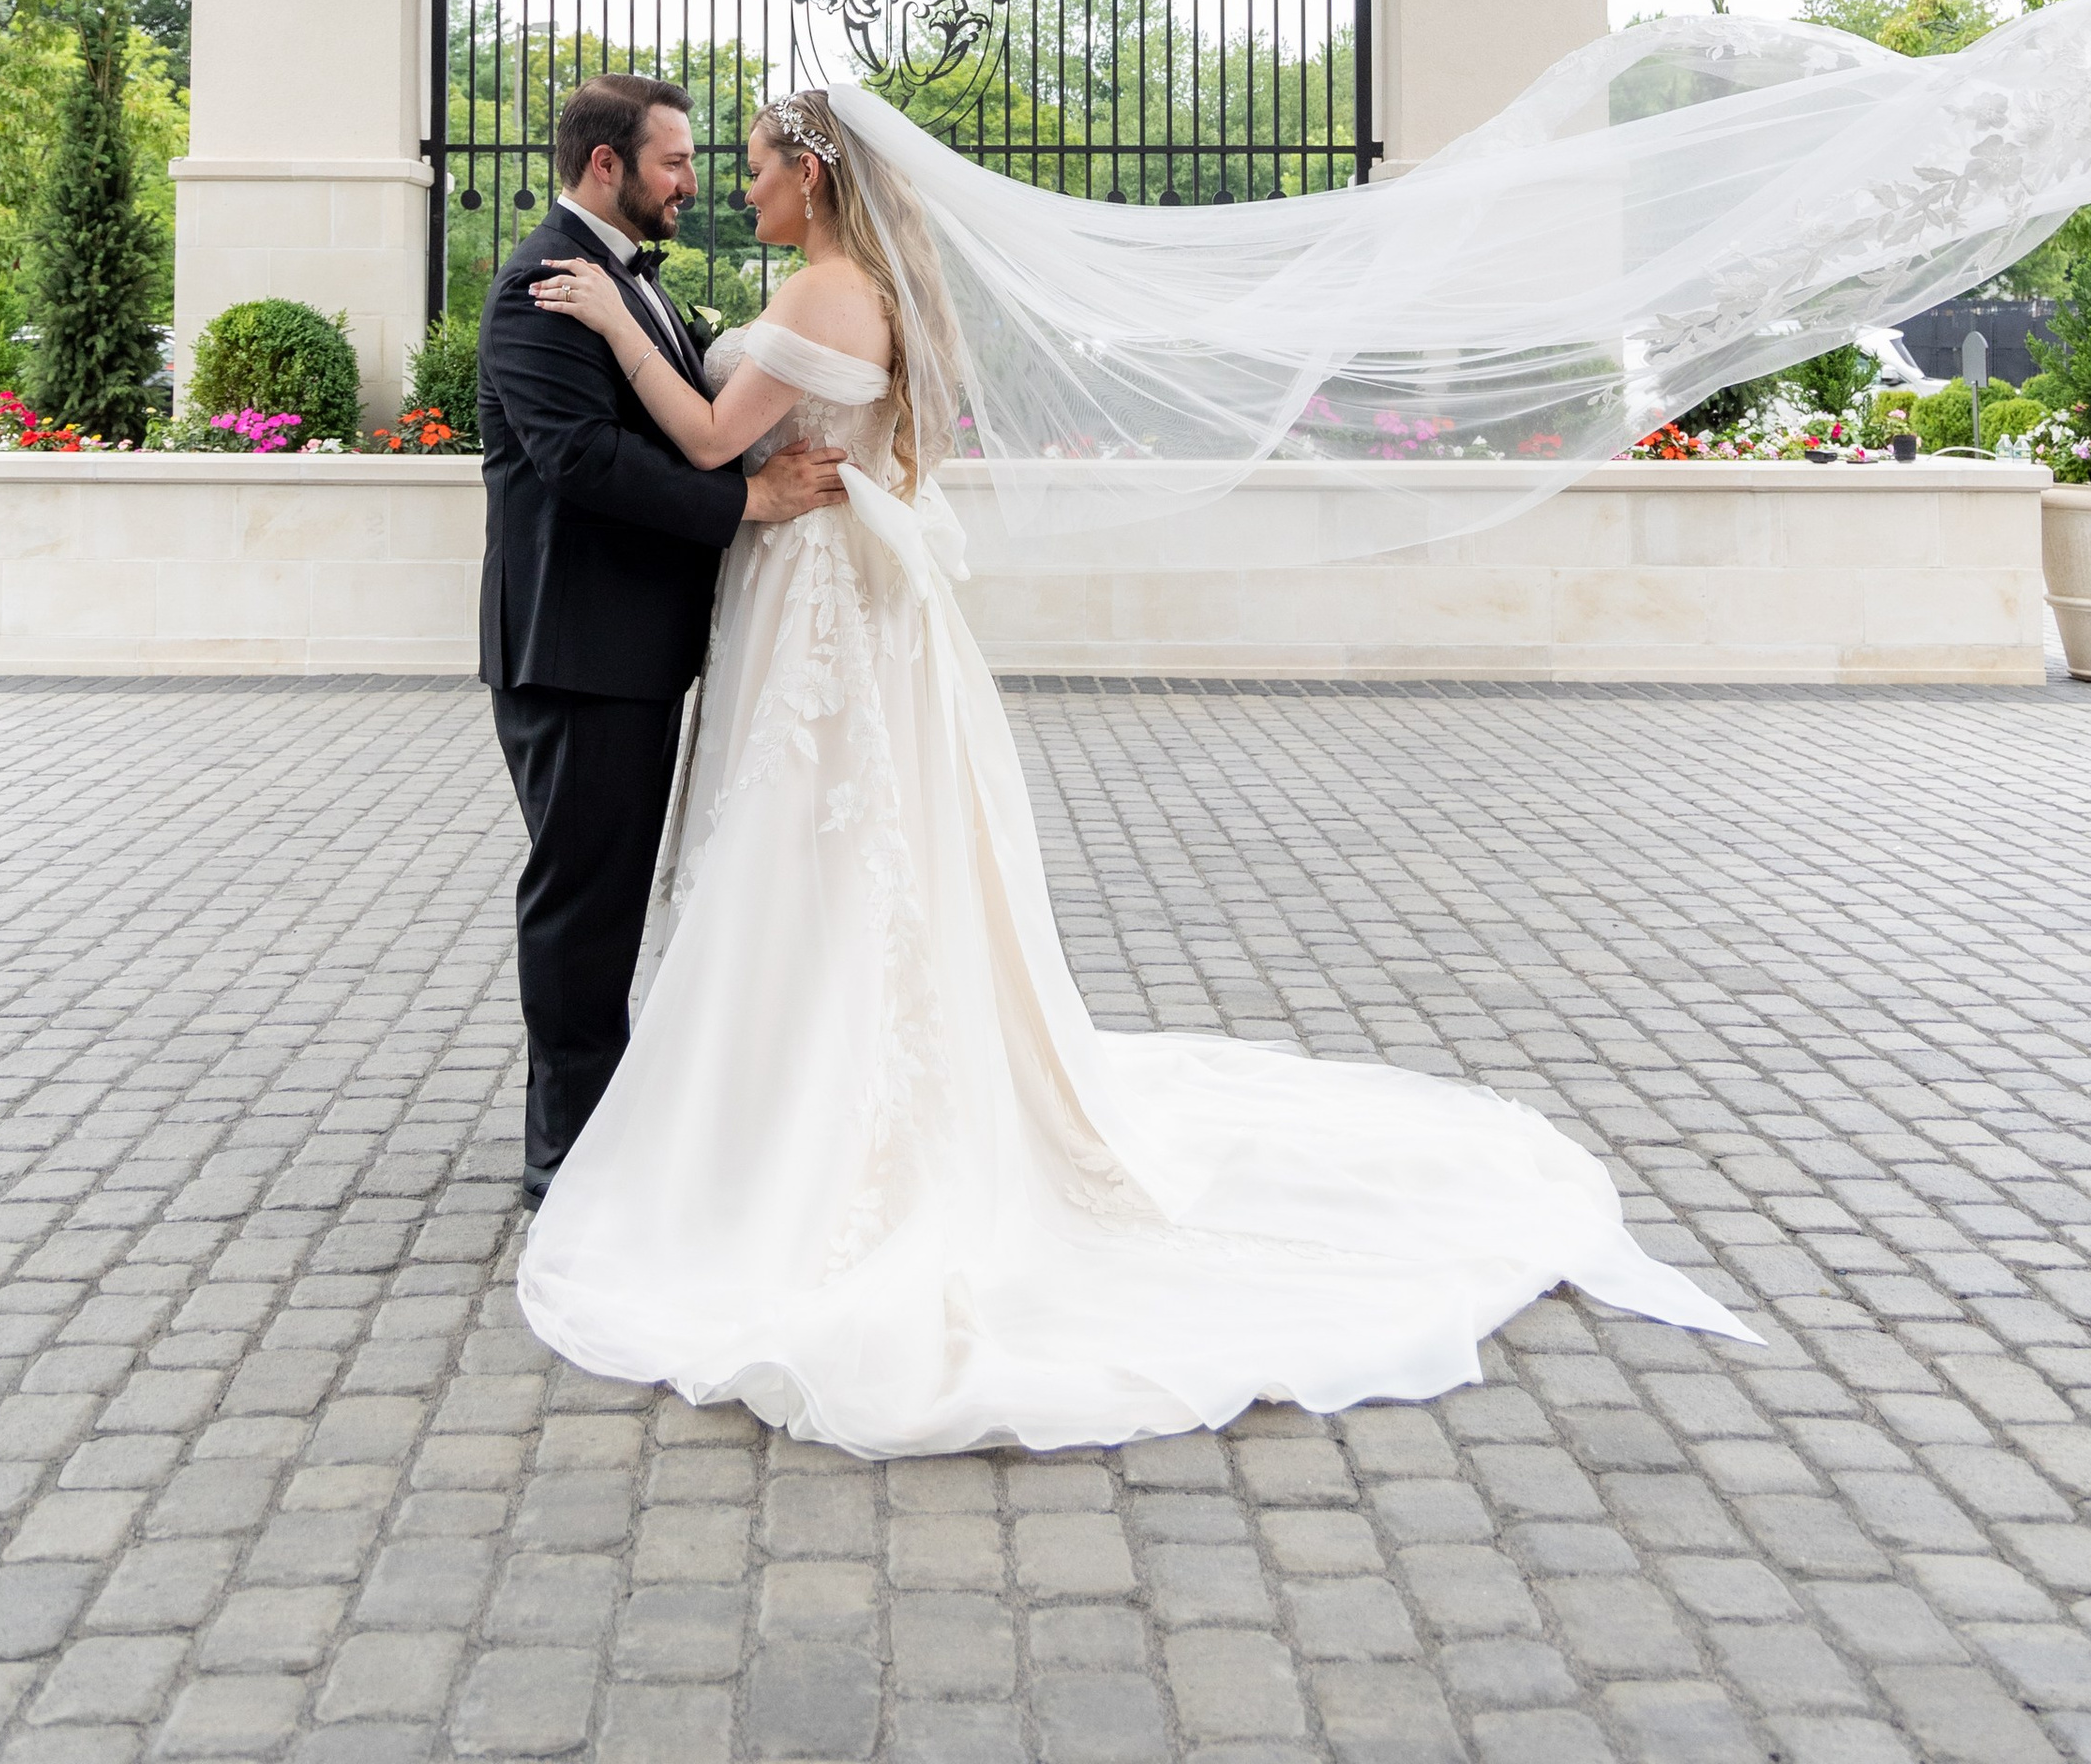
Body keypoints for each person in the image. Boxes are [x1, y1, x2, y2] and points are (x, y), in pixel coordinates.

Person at [512, 88, 1752, 1457]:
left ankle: (774, 1122)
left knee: (814, 853)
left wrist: (617, 322)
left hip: (817, 605)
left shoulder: (823, 293)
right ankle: (776, 1097)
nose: (734, 188)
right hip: (833, 601)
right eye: (708, 165)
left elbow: (703, 439)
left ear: (811, 176)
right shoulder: (862, 287)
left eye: (750, 168)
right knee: (842, 858)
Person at [476, 74, 846, 1202]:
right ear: (607, 166)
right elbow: (581, 459)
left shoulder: (619, 279)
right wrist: (749, 502)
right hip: (575, 644)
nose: (695, 182)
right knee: (584, 898)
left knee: (608, 890)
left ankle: (607, 1123)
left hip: (629, 644)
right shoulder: (542, 283)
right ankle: (567, 1148)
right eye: (675, 162)